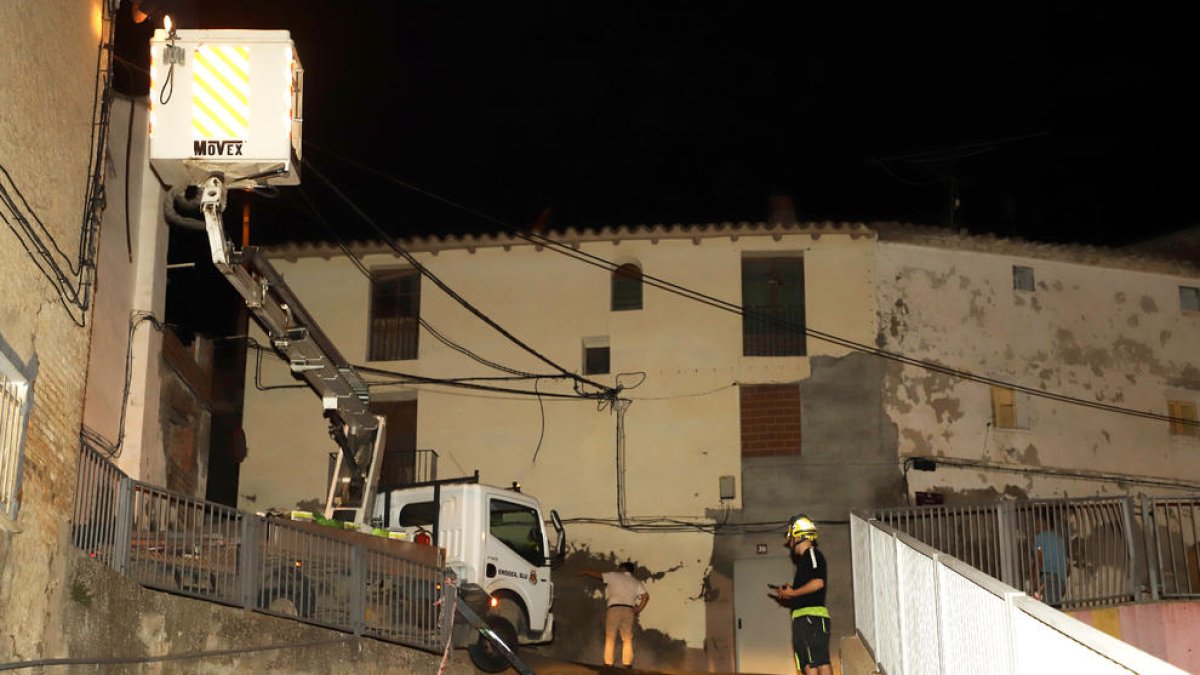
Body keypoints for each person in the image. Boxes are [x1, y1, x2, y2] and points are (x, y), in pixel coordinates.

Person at [770, 514, 832, 675]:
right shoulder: (805, 560)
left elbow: (818, 582)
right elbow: (809, 586)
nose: (789, 543)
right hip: (802, 618)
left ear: (798, 536)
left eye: (790, 538)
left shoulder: (812, 554)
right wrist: (790, 593)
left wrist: (794, 592)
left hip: (813, 617)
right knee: (808, 665)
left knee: (820, 661)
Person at [579, 562, 650, 668]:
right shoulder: (635, 582)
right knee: (627, 638)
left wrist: (585, 571)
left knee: (610, 636)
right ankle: (627, 663)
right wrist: (638, 609)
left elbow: (598, 574)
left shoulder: (614, 576)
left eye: (619, 568)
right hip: (628, 610)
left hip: (614, 609)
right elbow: (645, 596)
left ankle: (608, 662)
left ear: (623, 568)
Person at [1032, 507, 1069, 608]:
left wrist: (1035, 582)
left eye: (1036, 522)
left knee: (1045, 612)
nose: (1035, 526)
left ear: (1043, 522)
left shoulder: (1040, 537)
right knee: (1055, 609)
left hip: (1047, 580)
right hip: (1060, 583)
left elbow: (1039, 560)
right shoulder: (1060, 539)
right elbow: (1067, 565)